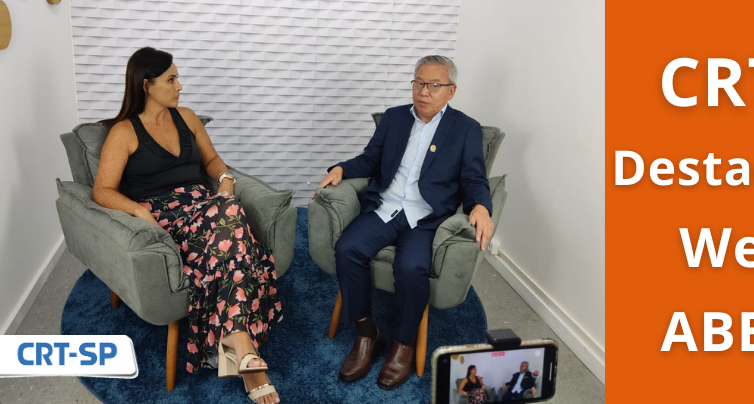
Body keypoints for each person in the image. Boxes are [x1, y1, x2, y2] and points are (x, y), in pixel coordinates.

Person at [94, 47, 282, 404]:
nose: (179, 86)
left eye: (177, 78)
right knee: (235, 226)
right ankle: (242, 347)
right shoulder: (124, 132)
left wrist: (225, 179)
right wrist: (138, 212)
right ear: (147, 85)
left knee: (228, 213)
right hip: (164, 218)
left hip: (204, 207)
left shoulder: (187, 117)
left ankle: (236, 343)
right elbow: (102, 190)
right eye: (171, 79)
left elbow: (212, 159)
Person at [318, 55, 494, 390]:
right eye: (419, 82)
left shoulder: (465, 128)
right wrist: (341, 168)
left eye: (434, 85)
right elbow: (370, 159)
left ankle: (404, 343)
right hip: (386, 207)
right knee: (348, 248)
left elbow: (474, 178)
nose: (424, 91)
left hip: (425, 217)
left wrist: (482, 207)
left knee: (412, 267)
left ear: (451, 90)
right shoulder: (395, 117)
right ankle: (367, 333)